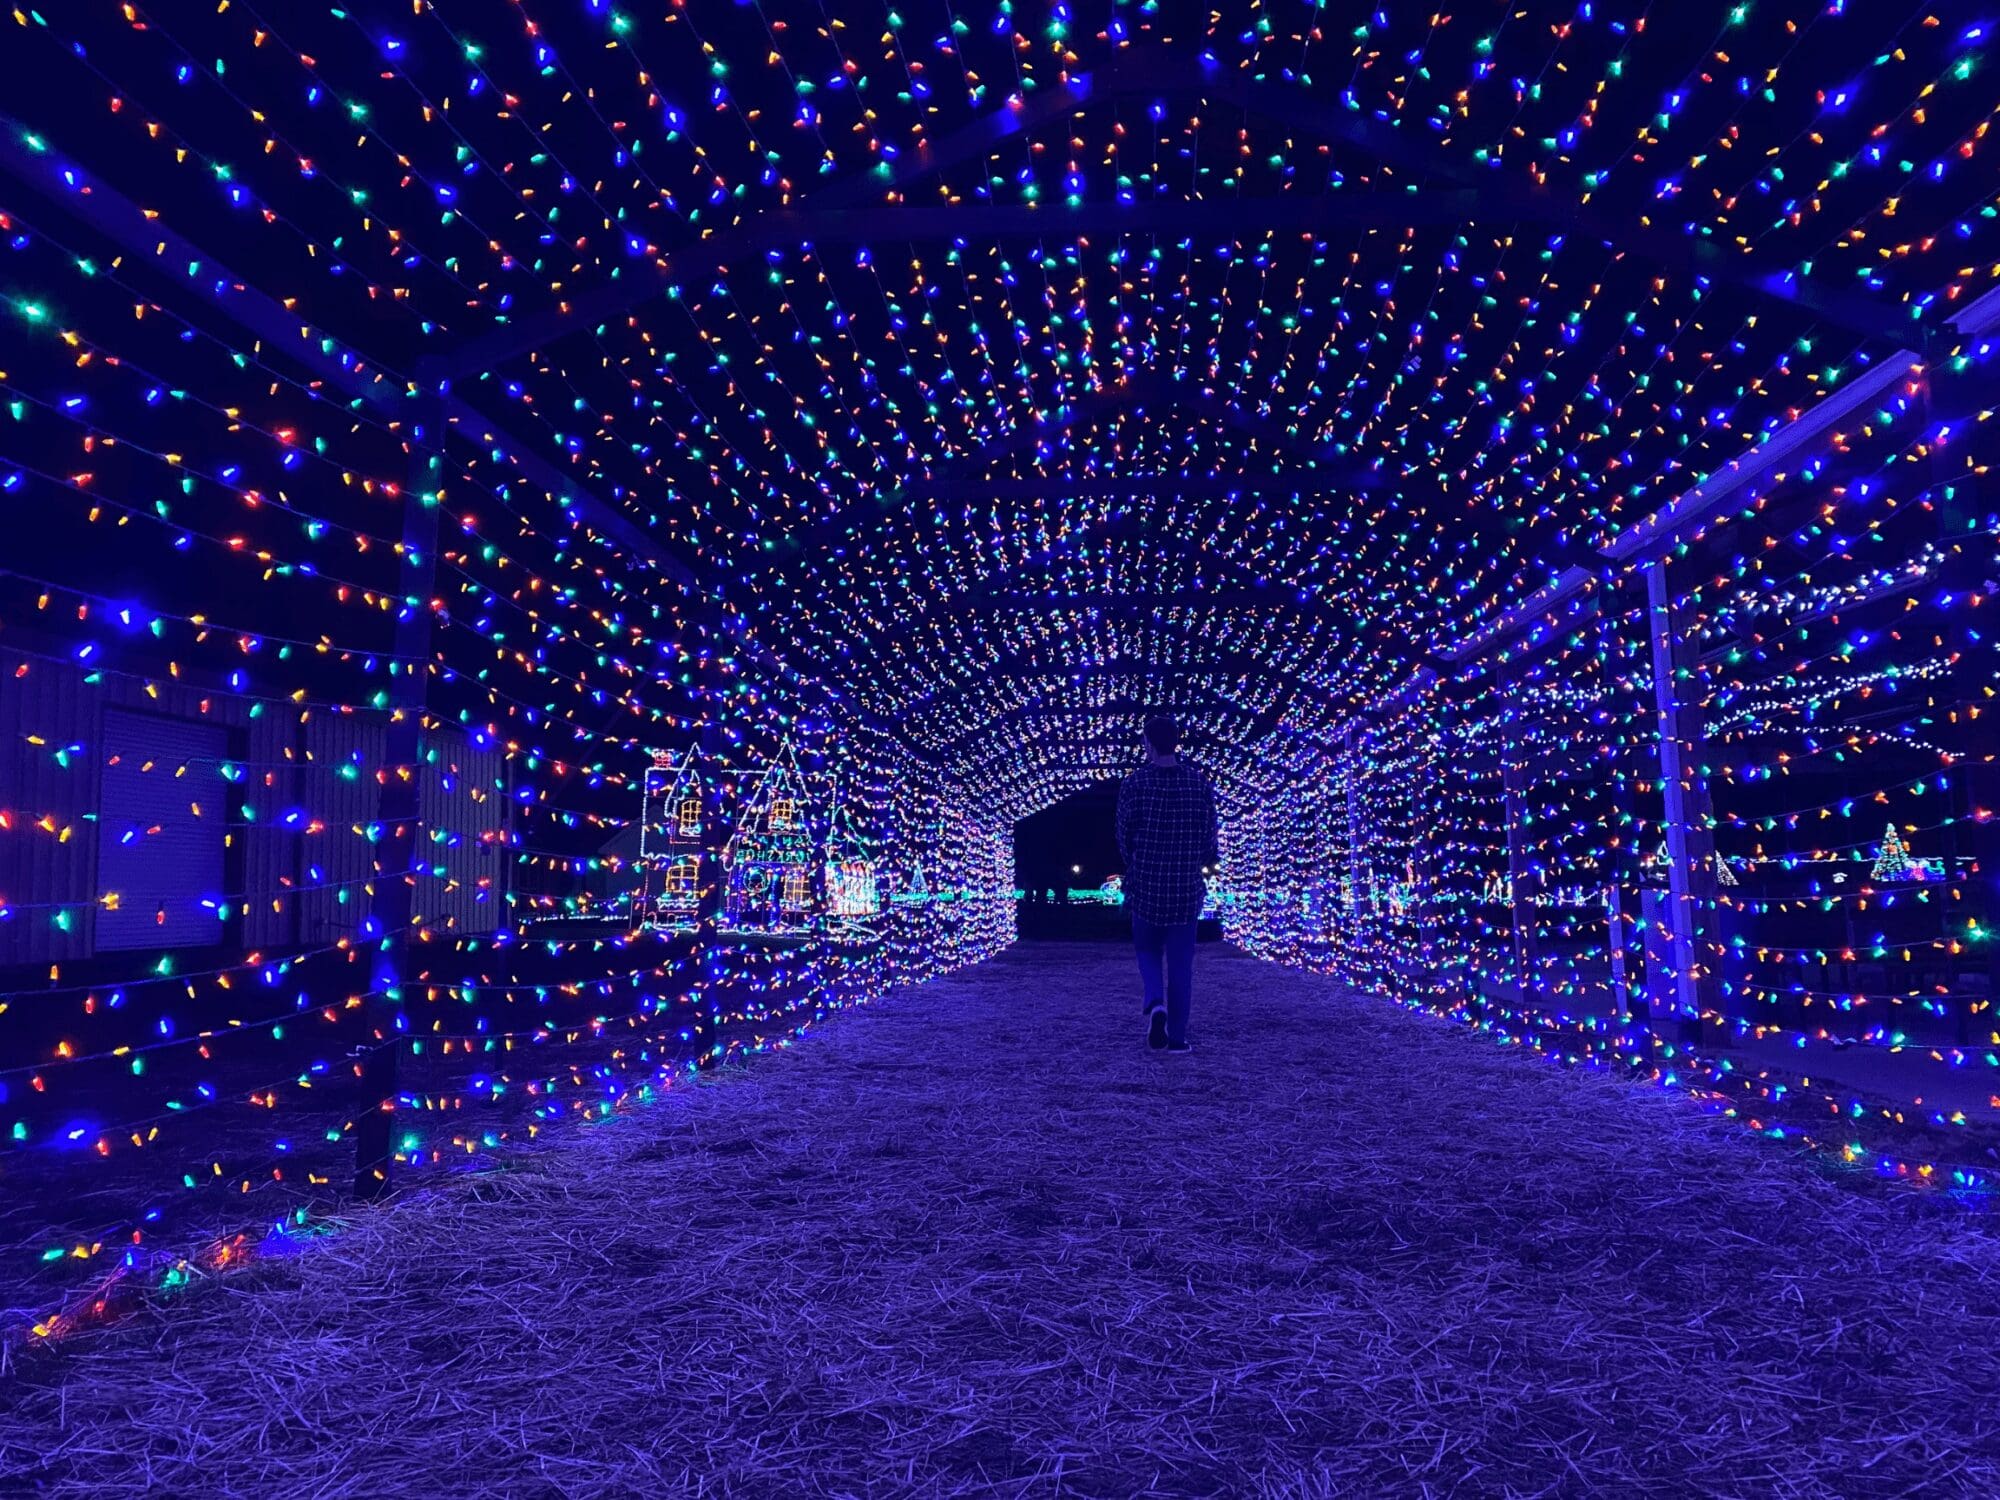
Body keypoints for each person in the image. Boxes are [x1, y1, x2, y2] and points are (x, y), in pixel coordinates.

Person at [1115, 713, 1220, 1053]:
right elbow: (1209, 837)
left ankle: (1155, 1001)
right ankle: (1176, 1039)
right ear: (1177, 742)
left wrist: (1135, 863)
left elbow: (1123, 834)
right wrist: (1194, 861)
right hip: (1185, 889)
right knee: (1180, 964)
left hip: (1146, 885)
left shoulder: (1135, 783)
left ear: (1148, 744)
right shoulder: (1199, 784)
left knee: (1146, 949)